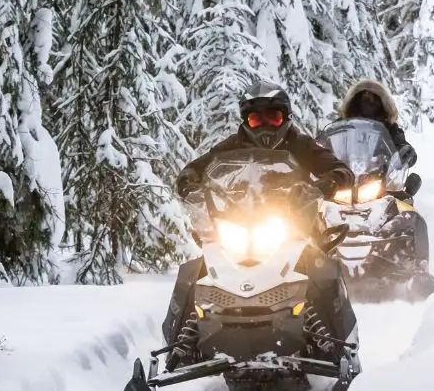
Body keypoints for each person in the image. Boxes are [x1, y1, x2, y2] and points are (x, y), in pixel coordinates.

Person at [165, 80, 359, 366]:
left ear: (285, 117)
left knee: (319, 267)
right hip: (241, 222)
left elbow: (340, 170)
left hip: (296, 222)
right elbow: (197, 167)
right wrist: (189, 181)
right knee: (199, 269)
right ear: (246, 121)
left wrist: (328, 182)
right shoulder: (232, 146)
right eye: (257, 119)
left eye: (273, 117)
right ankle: (179, 350)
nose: (265, 125)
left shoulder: (301, 144)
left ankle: (336, 347)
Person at [338, 79, 418, 175]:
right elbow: (326, 141)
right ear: (354, 101)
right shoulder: (342, 125)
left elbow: (401, 144)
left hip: (378, 176)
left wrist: (404, 153)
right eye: (363, 97)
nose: (368, 100)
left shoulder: (389, 128)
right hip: (342, 174)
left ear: (382, 104)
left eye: (373, 99)